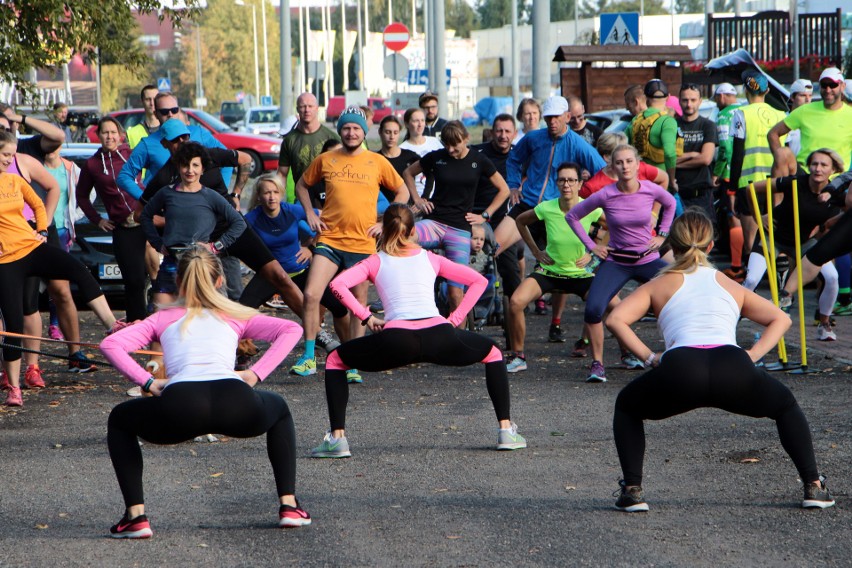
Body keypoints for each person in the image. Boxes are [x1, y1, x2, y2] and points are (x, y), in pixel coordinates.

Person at [605, 208, 835, 512]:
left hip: (681, 369)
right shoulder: (728, 283)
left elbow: (616, 319)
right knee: (785, 406)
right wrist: (751, 355)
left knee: (627, 406)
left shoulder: (659, 283)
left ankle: (633, 491)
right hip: (732, 367)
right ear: (712, 246)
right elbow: (780, 319)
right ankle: (813, 487)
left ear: (672, 246)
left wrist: (650, 357)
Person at [99, 245, 311, 538]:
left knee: (120, 418)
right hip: (236, 403)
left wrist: (148, 383)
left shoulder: (161, 319)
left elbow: (110, 345)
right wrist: (254, 373)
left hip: (181, 407)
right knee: (279, 410)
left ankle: (135, 517)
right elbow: (292, 330)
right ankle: (289, 506)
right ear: (220, 281)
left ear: (178, 283)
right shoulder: (235, 315)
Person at [309, 203, 526, 458]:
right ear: (413, 230)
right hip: (439, 336)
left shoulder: (375, 261)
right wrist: (455, 319)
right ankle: (506, 432)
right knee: (494, 353)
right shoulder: (430, 258)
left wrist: (367, 317)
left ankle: (337, 439)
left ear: (383, 230)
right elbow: (477, 281)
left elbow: (337, 285)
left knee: (335, 359)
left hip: (396, 341)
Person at [0, 130, 124, 407]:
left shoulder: (13, 180)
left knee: (77, 269)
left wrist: (41, 230)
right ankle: (14, 387)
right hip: (6, 261)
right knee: (14, 323)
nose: (11, 160)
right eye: (6, 155)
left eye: (11, 155)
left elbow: (37, 204)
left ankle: (111, 325)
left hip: (31, 247)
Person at [295, 107, 408, 383]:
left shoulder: (376, 162)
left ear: (364, 131)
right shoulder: (326, 159)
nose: (351, 132)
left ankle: (354, 362)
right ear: (340, 130)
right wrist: (310, 212)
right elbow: (301, 185)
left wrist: (385, 223)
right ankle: (309, 356)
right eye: (346, 128)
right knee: (311, 294)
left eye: (356, 128)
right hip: (330, 239)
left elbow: (402, 190)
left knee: (358, 304)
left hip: (362, 244)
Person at [565, 144, 676, 383]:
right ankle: (597, 365)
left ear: (638, 165)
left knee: (678, 297)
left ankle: (679, 355)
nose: (624, 166)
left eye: (629, 161)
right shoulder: (606, 194)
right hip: (617, 262)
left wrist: (663, 234)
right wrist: (592, 246)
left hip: (648, 260)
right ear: (612, 166)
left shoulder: (649, 189)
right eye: (619, 162)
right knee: (593, 309)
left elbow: (671, 204)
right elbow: (572, 216)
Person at [404, 120, 510, 312]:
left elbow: (504, 190)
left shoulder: (479, 160)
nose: (451, 149)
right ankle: (409, 286)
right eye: (447, 144)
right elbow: (408, 173)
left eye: (455, 144)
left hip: (459, 229)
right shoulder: (437, 157)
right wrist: (417, 199)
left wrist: (485, 215)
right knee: (403, 237)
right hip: (434, 222)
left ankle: (457, 336)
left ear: (466, 139)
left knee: (455, 294)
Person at [505, 163, 601, 373]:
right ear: (557, 183)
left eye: (571, 180)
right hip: (550, 271)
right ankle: (518, 356)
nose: (566, 184)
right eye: (562, 180)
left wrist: (593, 252)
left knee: (612, 305)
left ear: (580, 183)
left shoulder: (590, 208)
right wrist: (537, 252)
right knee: (515, 302)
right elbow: (520, 222)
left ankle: (614, 357)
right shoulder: (547, 207)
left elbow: (613, 226)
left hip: (580, 273)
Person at [241, 173, 349, 357]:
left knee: (339, 306)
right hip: (270, 275)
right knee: (240, 311)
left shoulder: (291, 210)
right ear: (259, 196)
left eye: (276, 192)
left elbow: (329, 221)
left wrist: (311, 247)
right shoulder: (251, 219)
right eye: (267, 193)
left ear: (281, 193)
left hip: (299, 270)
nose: (272, 197)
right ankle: (241, 355)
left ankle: (349, 352)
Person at [742, 149, 843, 341]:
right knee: (753, 280)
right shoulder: (796, 182)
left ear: (833, 170)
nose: (818, 169)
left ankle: (824, 325)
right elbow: (751, 189)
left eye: (824, 165)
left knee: (832, 277)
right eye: (814, 164)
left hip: (804, 241)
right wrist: (758, 215)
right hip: (774, 237)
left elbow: (841, 215)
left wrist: (823, 228)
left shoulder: (835, 195)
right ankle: (734, 315)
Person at [77, 116, 148, 322]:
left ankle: (161, 318)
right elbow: (81, 195)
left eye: (113, 132)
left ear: (121, 135)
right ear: (98, 136)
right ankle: (137, 322)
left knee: (157, 273)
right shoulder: (92, 164)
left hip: (146, 220)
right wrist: (97, 219)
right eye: (105, 133)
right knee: (133, 280)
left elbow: (152, 174)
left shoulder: (133, 154)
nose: (109, 136)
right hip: (123, 227)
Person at [728, 71, 789, 281]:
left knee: (751, 239)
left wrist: (732, 189)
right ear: (767, 90)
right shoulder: (781, 114)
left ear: (746, 90)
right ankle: (780, 280)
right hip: (777, 181)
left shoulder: (740, 114)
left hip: (749, 182)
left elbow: (737, 154)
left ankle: (752, 280)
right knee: (777, 234)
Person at [117, 92, 229, 196]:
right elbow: (124, 176)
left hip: (203, 206)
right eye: (164, 112)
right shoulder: (148, 143)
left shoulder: (198, 132)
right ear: (156, 114)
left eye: (174, 110)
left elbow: (228, 160)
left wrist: (220, 195)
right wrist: (146, 201)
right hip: (170, 209)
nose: (170, 114)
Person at [768, 67, 852, 176]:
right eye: (824, 85)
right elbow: (773, 134)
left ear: (842, 86)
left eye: (832, 85)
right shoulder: (805, 110)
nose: (828, 90)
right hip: (806, 176)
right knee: (783, 153)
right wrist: (781, 163)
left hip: (837, 182)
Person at [626, 79, 681, 195]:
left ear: (645, 98)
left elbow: (622, 147)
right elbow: (670, 153)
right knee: (678, 210)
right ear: (668, 97)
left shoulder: (635, 120)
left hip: (639, 182)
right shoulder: (667, 121)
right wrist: (671, 180)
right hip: (661, 182)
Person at [675, 83, 717, 225]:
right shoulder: (672, 125)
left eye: (693, 100)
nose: (689, 104)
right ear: (679, 100)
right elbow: (667, 159)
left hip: (701, 194)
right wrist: (692, 154)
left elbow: (706, 159)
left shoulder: (708, 126)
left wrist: (676, 162)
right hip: (677, 193)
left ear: (700, 101)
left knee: (703, 238)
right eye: (685, 100)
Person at [580, 132, 669, 198]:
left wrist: (654, 212)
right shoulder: (593, 187)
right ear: (607, 157)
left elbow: (664, 179)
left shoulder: (639, 168)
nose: (627, 154)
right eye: (620, 152)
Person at [276, 92, 340, 185]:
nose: (307, 110)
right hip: (301, 197)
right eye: (303, 106)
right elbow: (282, 174)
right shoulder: (289, 141)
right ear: (297, 109)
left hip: (328, 197)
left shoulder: (332, 138)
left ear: (317, 109)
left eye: (310, 106)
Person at [398, 108, 443, 196]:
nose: (420, 124)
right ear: (407, 124)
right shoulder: (402, 148)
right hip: (416, 197)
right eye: (416, 121)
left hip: (438, 196)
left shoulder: (435, 142)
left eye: (422, 120)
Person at [375, 115, 420, 202]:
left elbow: (430, 171)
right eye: (388, 132)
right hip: (383, 209)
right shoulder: (375, 159)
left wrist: (422, 198)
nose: (392, 137)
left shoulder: (410, 156)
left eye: (395, 132)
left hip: (407, 209)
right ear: (380, 132)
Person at [0, 102, 65, 161]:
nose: (6, 126)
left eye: (10, 121)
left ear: (17, 124)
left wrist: (23, 119)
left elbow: (59, 136)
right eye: (1, 126)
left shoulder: (28, 146)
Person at [126, 85, 161, 149]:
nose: (152, 103)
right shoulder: (131, 134)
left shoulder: (168, 129)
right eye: (148, 99)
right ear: (142, 102)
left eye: (155, 99)